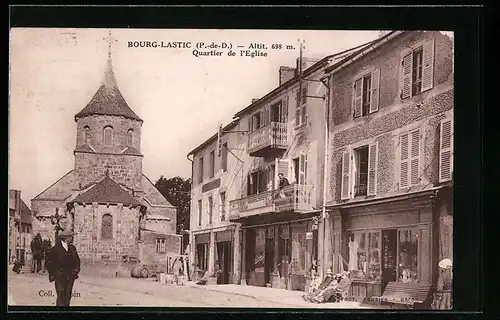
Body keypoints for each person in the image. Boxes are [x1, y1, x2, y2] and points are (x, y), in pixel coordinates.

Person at [46, 230, 80, 307]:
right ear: (65, 238)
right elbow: (49, 264)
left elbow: (77, 261)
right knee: (61, 297)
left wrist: (75, 271)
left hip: (70, 277)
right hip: (60, 278)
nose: (72, 238)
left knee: (68, 297)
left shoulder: (72, 248)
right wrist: (57, 274)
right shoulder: (55, 249)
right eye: (71, 237)